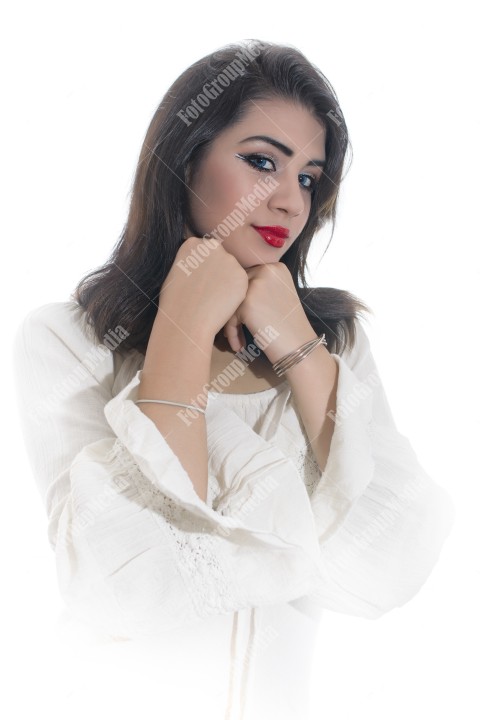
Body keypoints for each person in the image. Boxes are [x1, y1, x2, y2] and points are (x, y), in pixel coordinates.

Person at [12, 40, 454, 720]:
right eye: (261, 162)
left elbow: (388, 568)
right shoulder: (71, 341)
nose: (288, 202)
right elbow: (126, 583)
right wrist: (184, 324)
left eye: (308, 177)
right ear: (185, 158)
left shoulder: (335, 341)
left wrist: (298, 345)